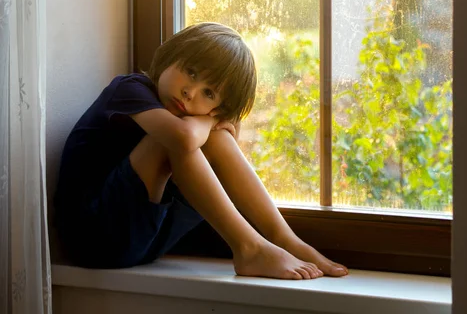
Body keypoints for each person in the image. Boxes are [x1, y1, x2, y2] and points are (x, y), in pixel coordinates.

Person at [54, 22, 348, 280]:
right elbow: (182, 138)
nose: (190, 92)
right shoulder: (130, 88)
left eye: (209, 94)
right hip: (93, 237)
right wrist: (210, 117)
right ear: (171, 57)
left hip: (145, 243)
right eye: (191, 72)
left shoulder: (191, 119)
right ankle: (248, 247)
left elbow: (201, 141)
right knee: (176, 137)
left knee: (215, 140)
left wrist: (212, 124)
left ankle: (284, 239)